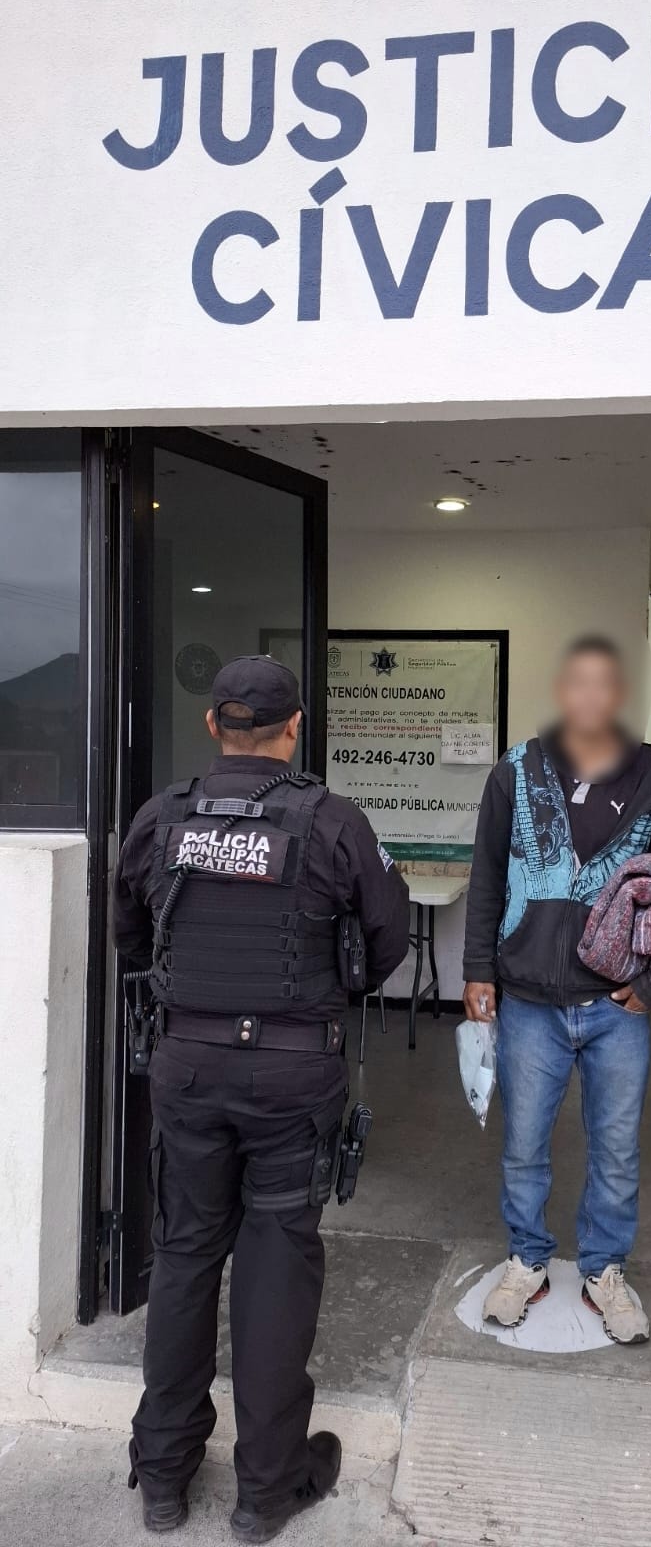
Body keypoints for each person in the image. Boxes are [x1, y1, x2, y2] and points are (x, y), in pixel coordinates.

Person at [113, 656, 410, 1540]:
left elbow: (129, 933)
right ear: (296, 728)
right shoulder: (333, 821)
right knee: (276, 1262)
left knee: (183, 1253)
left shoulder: (161, 817)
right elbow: (387, 942)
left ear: (213, 725)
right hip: (291, 1073)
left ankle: (163, 1476)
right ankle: (265, 1492)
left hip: (187, 1067)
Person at [462, 635, 651, 1343]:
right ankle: (527, 1260)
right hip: (529, 1001)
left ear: (622, 696)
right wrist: (478, 969)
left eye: (606, 684)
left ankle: (605, 1269)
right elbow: (487, 873)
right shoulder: (517, 772)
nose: (591, 697)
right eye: (578, 683)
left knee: (617, 1150)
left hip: (614, 1007)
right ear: (560, 693)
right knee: (523, 1145)